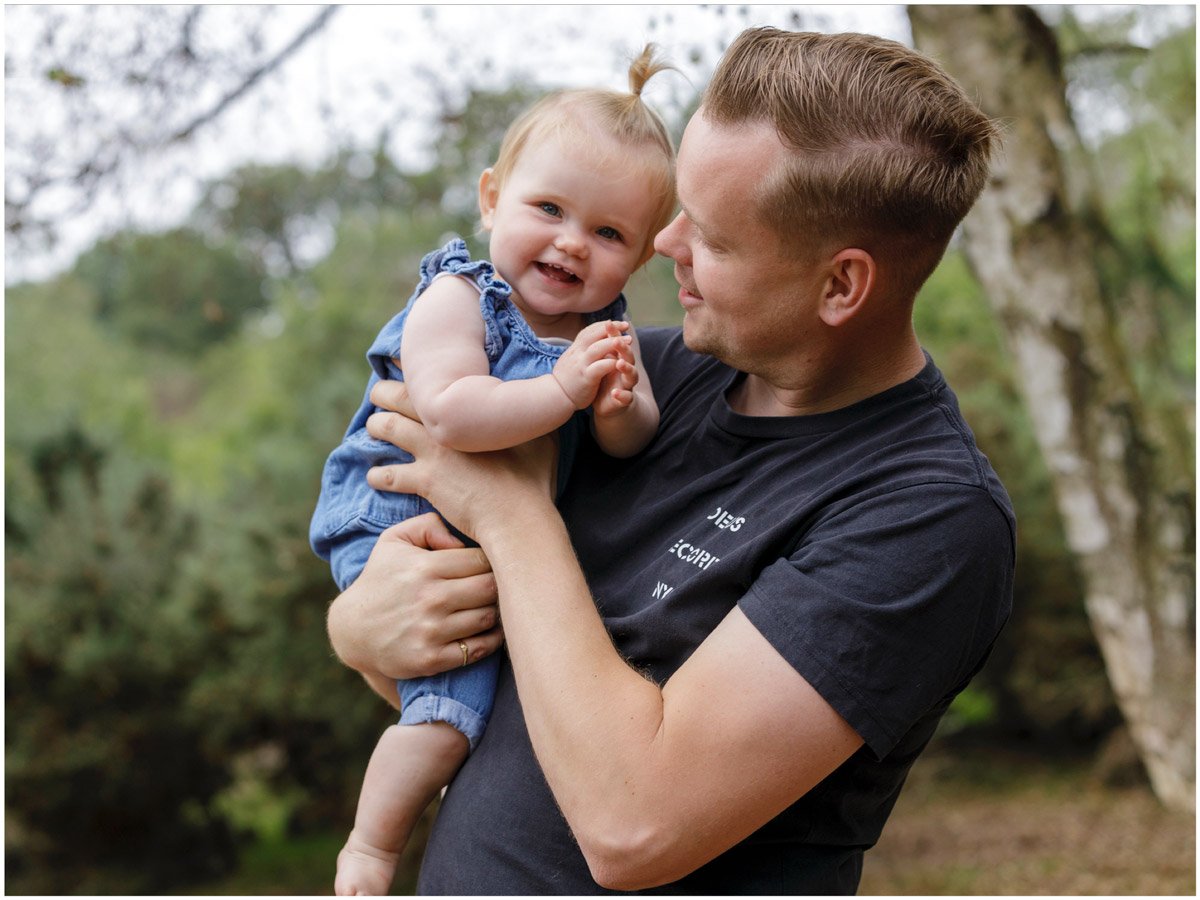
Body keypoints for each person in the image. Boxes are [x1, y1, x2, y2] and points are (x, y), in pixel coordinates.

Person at [327, 26, 1016, 895]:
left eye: (716, 238)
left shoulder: (926, 518)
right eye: (677, 208)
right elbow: (506, 693)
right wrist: (358, 629)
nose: (664, 245)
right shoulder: (638, 377)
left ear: (841, 285)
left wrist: (511, 514)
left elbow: (631, 825)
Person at [309, 46, 677, 896]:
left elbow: (632, 441)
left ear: (639, 260)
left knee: (488, 702)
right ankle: (369, 849)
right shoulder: (459, 298)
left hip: (472, 539)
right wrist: (561, 387)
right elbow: (450, 415)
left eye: (609, 233)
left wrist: (618, 403)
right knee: (450, 717)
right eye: (549, 208)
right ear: (490, 198)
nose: (570, 243)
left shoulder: (603, 332)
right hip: (394, 518)